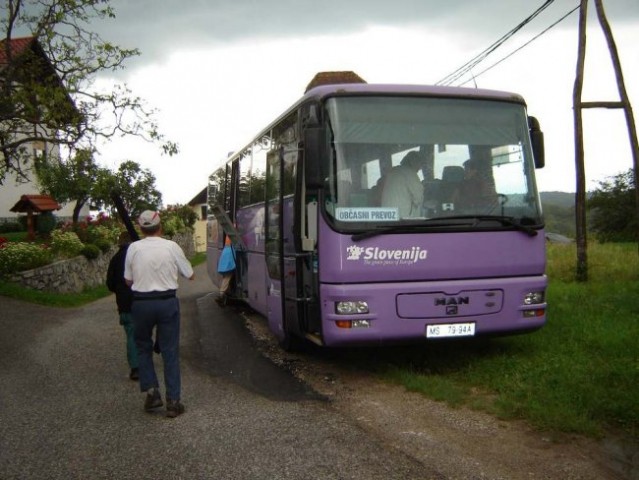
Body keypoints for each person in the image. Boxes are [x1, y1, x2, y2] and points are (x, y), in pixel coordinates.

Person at [124, 210, 194, 418]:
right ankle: (173, 401)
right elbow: (190, 274)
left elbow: (128, 281)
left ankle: (152, 392)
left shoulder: (133, 249)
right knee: (169, 350)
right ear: (160, 227)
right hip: (167, 302)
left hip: (141, 304)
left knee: (143, 348)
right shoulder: (171, 247)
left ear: (141, 228)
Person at [106, 231, 138, 381]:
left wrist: (120, 290)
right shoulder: (137, 257)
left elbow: (110, 284)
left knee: (131, 334)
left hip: (124, 303)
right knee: (144, 331)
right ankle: (146, 361)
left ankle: (135, 368)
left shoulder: (115, 259)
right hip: (140, 300)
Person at [380, 151, 424, 218]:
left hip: (387, 216)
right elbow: (418, 197)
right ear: (414, 162)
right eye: (419, 164)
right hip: (403, 219)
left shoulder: (393, 172)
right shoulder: (410, 173)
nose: (419, 168)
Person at [216, 234, 235, 305]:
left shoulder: (226, 243)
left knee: (226, 277)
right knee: (227, 277)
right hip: (228, 262)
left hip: (225, 260)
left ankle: (225, 297)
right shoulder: (231, 238)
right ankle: (221, 295)